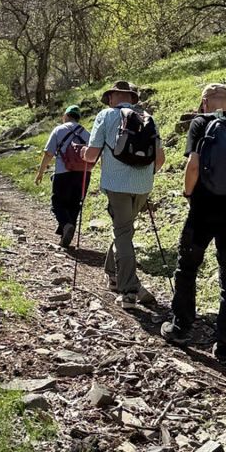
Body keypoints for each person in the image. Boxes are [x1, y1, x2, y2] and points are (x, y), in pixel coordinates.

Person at [161, 83, 226, 364]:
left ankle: (181, 327)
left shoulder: (200, 123)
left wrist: (188, 192)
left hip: (202, 209)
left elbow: (193, 164)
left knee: (187, 267)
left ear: (203, 103)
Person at [82, 80, 165, 309]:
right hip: (143, 186)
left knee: (123, 232)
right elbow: (160, 159)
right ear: (132, 98)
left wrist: (83, 154)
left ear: (111, 98)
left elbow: (92, 154)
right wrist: (145, 176)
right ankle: (112, 273)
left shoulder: (105, 115)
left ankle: (128, 291)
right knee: (125, 230)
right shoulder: (147, 118)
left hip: (116, 185)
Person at [35, 105, 90, 248]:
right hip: (83, 174)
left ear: (65, 116)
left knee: (57, 203)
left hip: (62, 173)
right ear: (78, 118)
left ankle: (66, 225)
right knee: (75, 204)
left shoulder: (58, 130)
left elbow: (49, 153)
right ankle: (65, 234)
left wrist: (40, 172)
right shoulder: (86, 133)